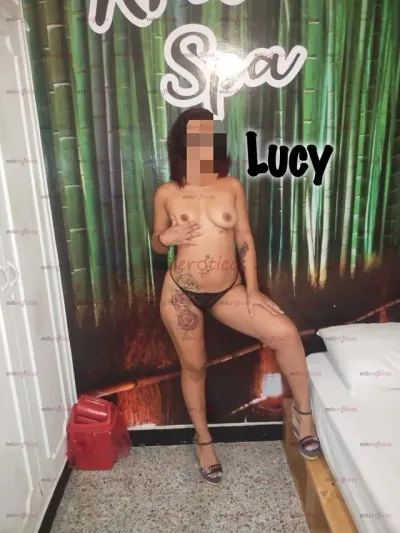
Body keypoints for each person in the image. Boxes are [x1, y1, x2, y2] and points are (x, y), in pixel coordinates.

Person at [151, 107, 321, 485]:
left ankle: (304, 416)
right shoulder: (167, 192)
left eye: (207, 133)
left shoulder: (230, 186)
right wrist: (166, 238)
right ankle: (203, 440)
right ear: (182, 141)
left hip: (228, 290)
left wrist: (253, 291)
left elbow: (244, 237)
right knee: (195, 367)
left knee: (285, 333)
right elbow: (157, 245)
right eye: (194, 133)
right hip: (181, 293)